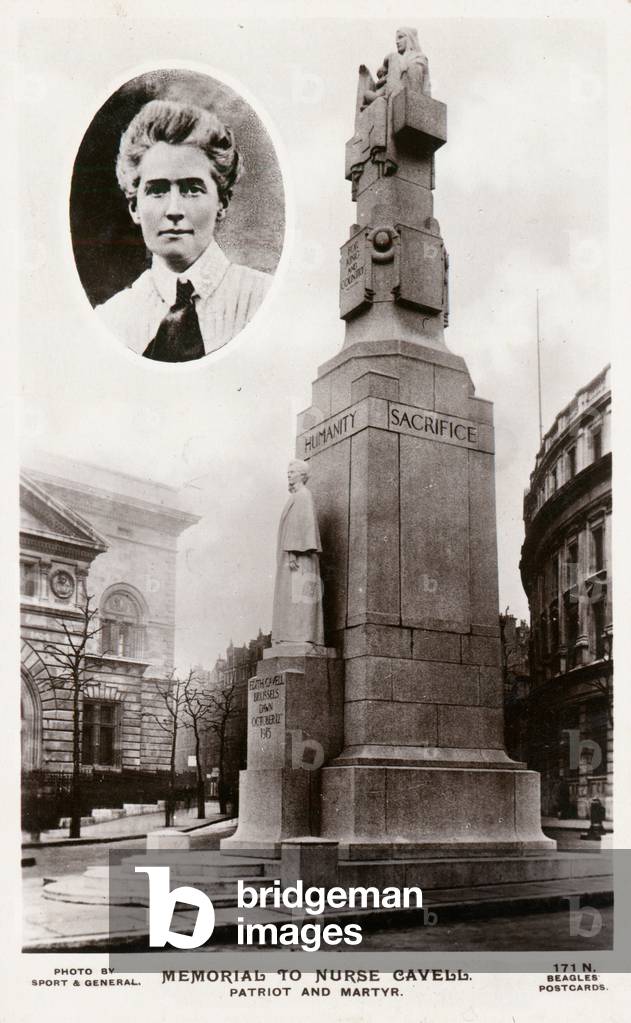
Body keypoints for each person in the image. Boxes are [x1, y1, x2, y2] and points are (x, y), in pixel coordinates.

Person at [96, 99, 272, 361]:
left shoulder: (262, 301)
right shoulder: (111, 321)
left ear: (221, 202)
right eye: (157, 190)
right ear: (134, 206)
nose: (174, 209)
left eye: (192, 189)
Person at [271, 459, 325, 648]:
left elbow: (303, 526)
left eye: (292, 471)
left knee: (299, 598)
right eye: (288, 471)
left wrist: (293, 552)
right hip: (291, 556)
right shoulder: (295, 497)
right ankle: (291, 635)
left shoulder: (304, 495)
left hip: (298, 558)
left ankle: (300, 636)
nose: (288, 474)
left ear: (302, 475)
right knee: (292, 599)